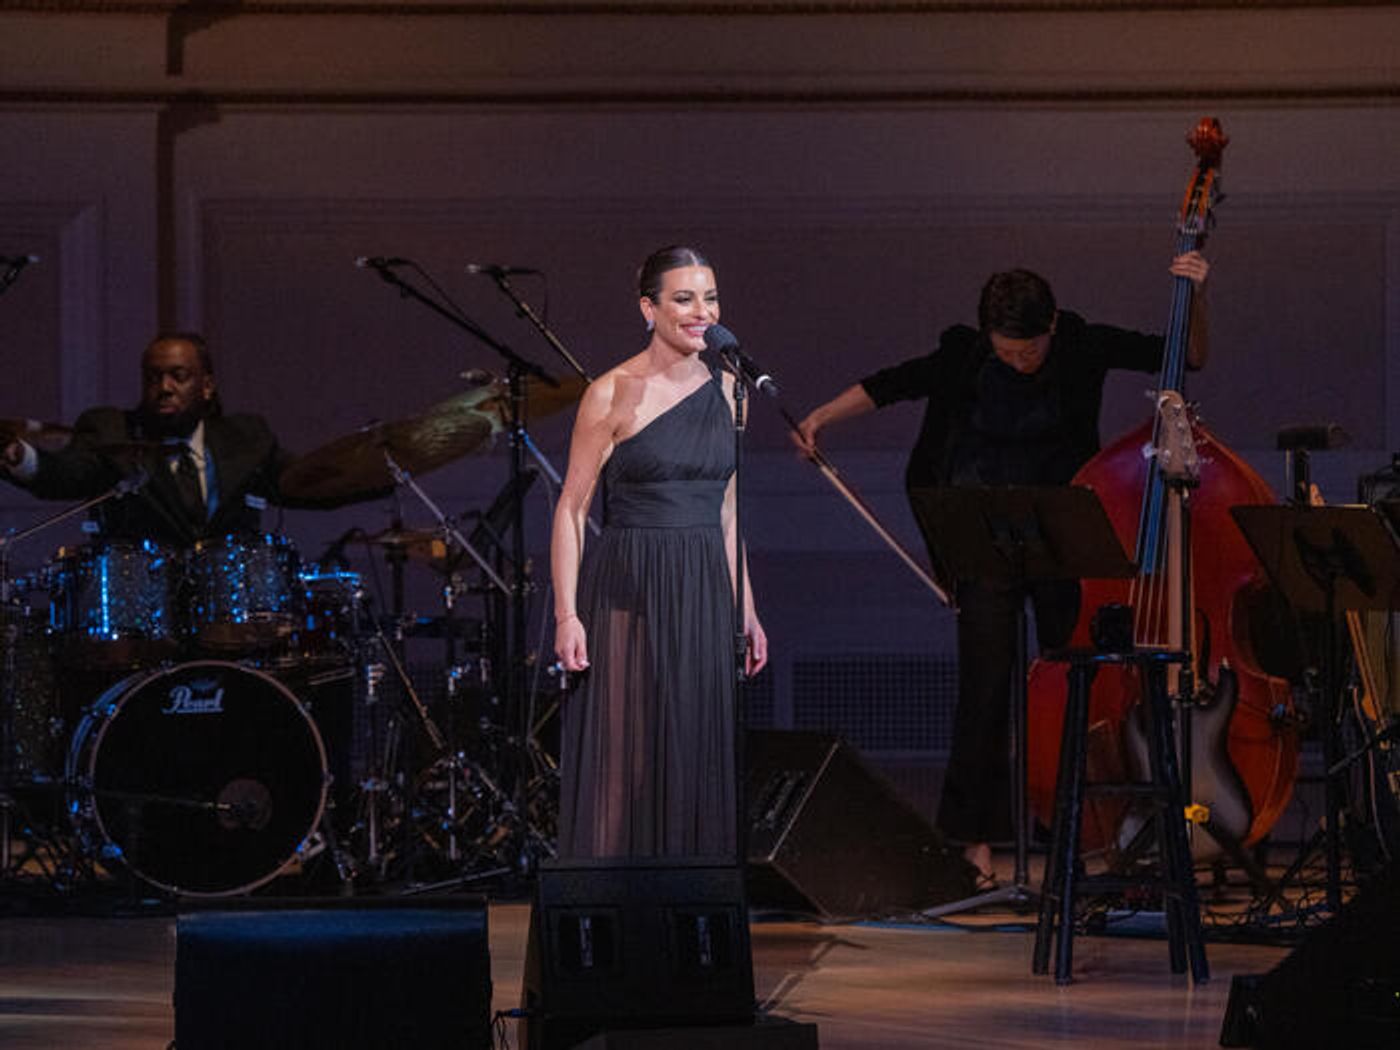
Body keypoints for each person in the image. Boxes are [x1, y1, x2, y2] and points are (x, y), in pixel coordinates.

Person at [792, 253, 1210, 885]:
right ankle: (974, 844)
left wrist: (1194, 293)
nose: (1020, 360)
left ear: (1052, 327)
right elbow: (893, 383)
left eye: (1030, 349)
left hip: (1062, 534)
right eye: (1008, 351)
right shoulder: (965, 354)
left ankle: (1078, 828)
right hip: (982, 534)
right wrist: (820, 418)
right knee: (984, 687)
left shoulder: (1081, 343)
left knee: (1074, 685)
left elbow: (1185, 354)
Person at [551, 245, 768, 859]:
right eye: (683, 298)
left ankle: (685, 930)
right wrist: (568, 615)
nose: (702, 311)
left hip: (702, 584)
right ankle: (607, 923)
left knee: (694, 759)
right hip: (630, 583)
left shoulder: (732, 391)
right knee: (624, 759)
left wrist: (746, 610)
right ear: (648, 308)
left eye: (710, 297)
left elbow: (726, 513)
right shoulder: (612, 392)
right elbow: (571, 508)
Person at [1, 332, 294, 546]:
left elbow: (304, 482)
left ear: (206, 386)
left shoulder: (245, 437)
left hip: (229, 613)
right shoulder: (112, 430)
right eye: (153, 378)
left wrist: (338, 474)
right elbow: (68, 473)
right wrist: (19, 456)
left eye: (178, 376)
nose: (164, 387)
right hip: (144, 610)